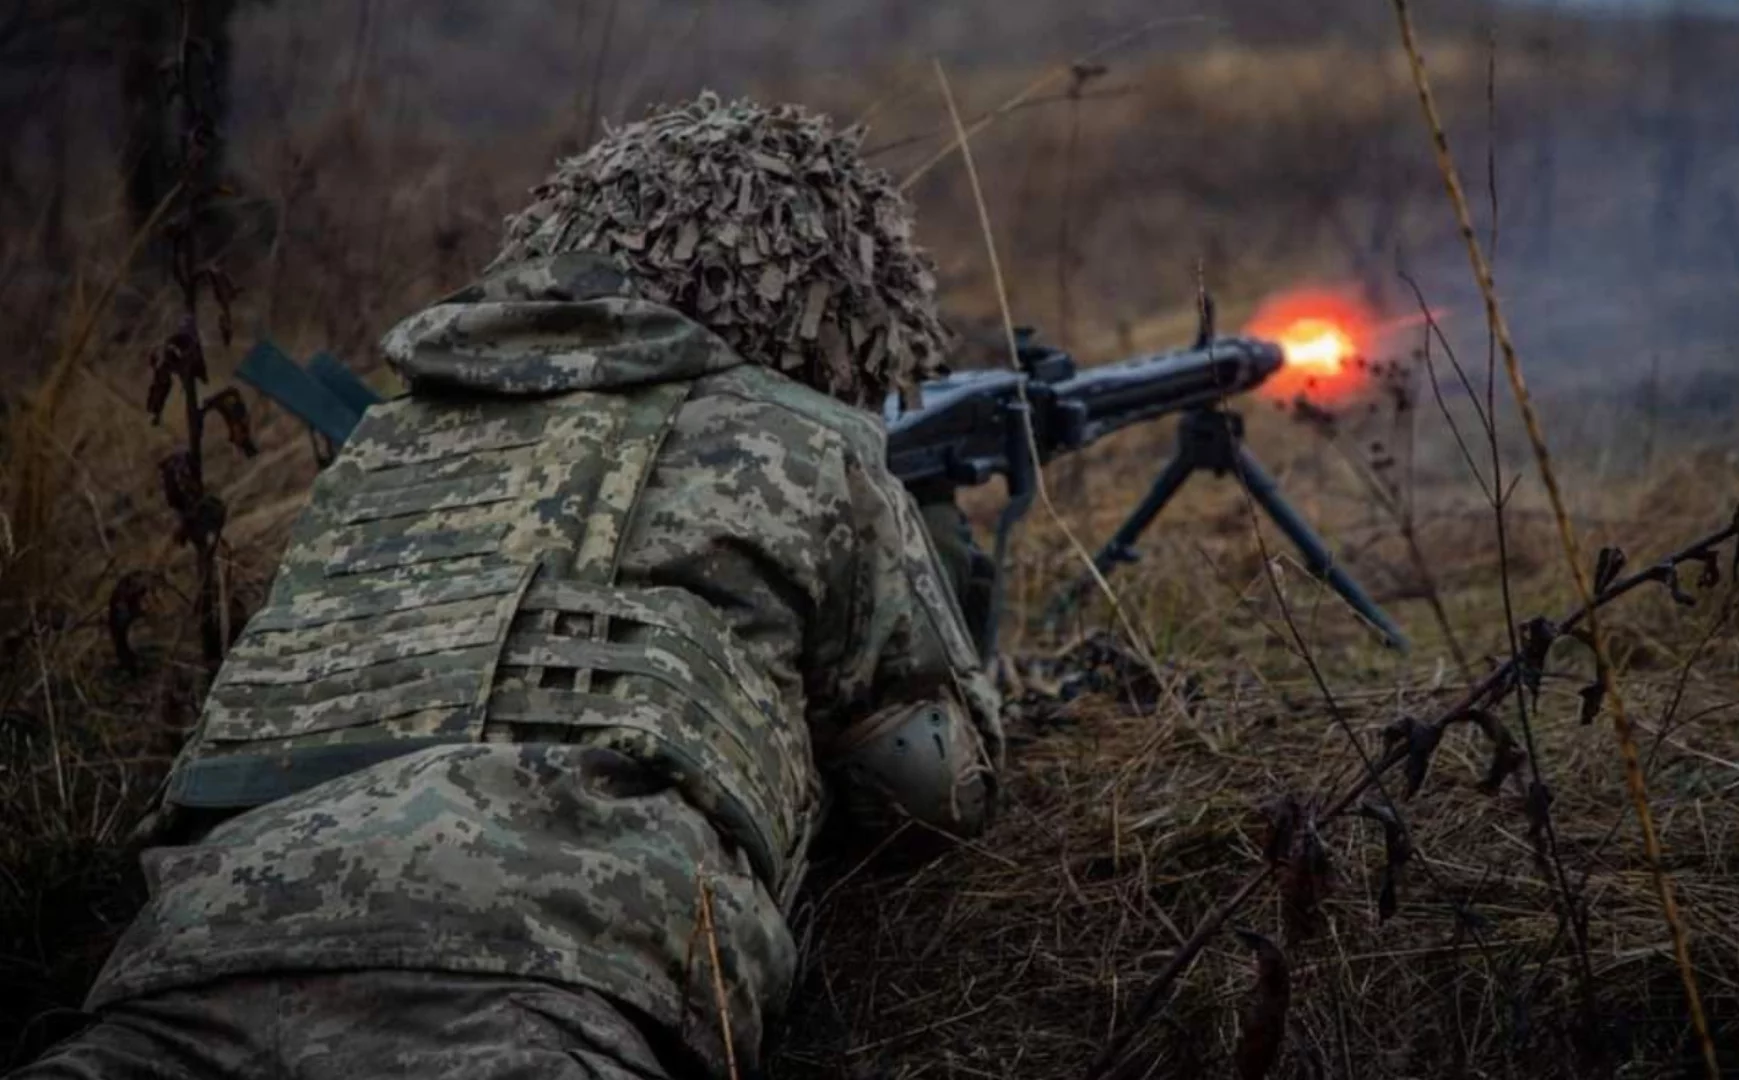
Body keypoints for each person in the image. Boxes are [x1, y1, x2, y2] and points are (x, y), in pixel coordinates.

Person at [13, 93, 1004, 1080]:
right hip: (554, 969)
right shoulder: (805, 439)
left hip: (194, 954)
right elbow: (927, 788)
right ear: (830, 293)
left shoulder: (381, 442)